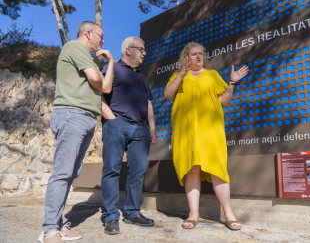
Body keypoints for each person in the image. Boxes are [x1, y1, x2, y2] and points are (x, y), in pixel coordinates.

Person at [39, 21, 115, 243]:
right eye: (100, 36)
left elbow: (106, 88)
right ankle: (50, 230)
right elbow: (96, 80)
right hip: (73, 115)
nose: (102, 41)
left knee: (70, 174)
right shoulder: (75, 47)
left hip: (84, 118)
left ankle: (58, 226)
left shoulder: (86, 57)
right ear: (88, 33)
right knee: (62, 173)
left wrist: (110, 62)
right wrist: (103, 73)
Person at [163, 42, 249, 230]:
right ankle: (194, 214)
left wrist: (232, 83)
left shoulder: (213, 75)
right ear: (187, 57)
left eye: (201, 54)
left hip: (211, 130)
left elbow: (224, 101)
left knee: (217, 169)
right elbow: (167, 94)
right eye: (194, 54)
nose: (199, 57)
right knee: (191, 169)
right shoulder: (178, 76)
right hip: (186, 131)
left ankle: (228, 214)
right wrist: (182, 74)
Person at [100, 37, 156, 235]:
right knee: (112, 171)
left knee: (137, 173)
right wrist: (111, 118)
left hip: (140, 130)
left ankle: (132, 212)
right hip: (117, 125)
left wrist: (151, 127)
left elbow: (148, 102)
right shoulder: (112, 67)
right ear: (129, 50)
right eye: (142, 49)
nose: (144, 53)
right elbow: (98, 92)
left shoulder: (140, 76)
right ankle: (111, 216)